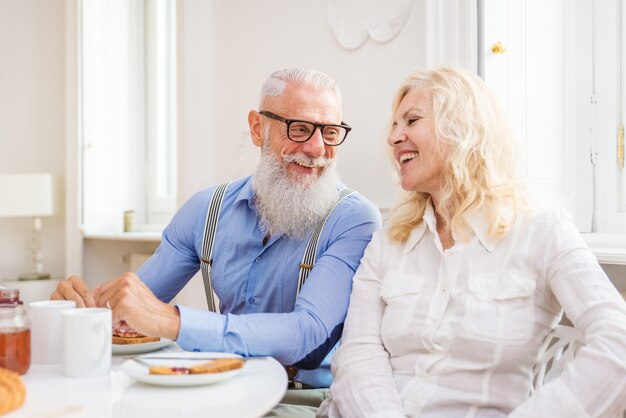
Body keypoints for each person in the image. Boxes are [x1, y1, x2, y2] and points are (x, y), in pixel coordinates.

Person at [53, 68, 381, 414]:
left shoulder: (354, 219)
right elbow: (135, 306)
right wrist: (82, 312)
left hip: (303, 399)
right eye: (299, 129)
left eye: (330, 133)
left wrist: (174, 322)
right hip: (222, 385)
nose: (317, 148)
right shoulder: (206, 210)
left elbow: (306, 332)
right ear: (258, 128)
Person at [318, 66, 626, 417]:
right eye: (394, 125)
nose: (393, 137)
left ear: (461, 129)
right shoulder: (388, 240)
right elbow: (358, 354)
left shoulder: (543, 231)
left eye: (411, 121)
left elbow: (619, 342)